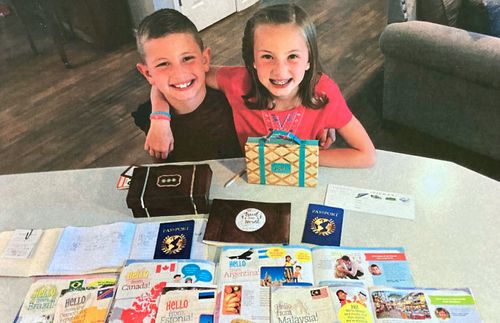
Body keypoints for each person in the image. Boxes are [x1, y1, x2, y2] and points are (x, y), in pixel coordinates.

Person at [150, 4, 375, 168]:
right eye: (267, 56)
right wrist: (160, 117)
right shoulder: (238, 81)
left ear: (309, 60)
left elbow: (366, 155)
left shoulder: (324, 93)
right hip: (248, 182)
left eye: (293, 56)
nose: (280, 70)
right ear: (253, 61)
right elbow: (180, 77)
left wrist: (301, 156)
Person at [132, 9, 242, 162]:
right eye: (163, 64)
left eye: (187, 58)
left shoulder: (232, 100)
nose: (179, 73)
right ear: (148, 74)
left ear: (205, 60)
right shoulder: (149, 117)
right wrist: (159, 118)